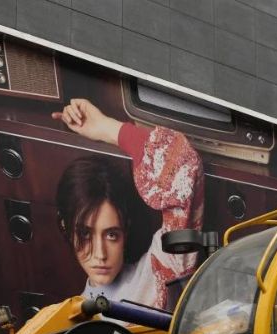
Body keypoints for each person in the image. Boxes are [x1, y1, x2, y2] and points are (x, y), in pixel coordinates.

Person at [53, 98, 204, 310]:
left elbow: (183, 161)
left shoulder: (156, 275)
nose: (100, 254)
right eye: (86, 234)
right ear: (65, 228)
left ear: (126, 228)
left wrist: (106, 128)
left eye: (111, 235)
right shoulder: (68, 318)